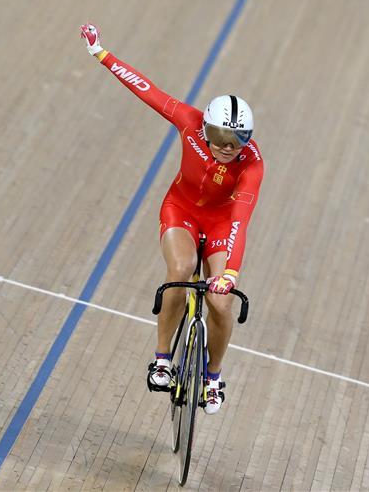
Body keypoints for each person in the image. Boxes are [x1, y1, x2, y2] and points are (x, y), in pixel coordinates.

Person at [80, 23, 264, 414]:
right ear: (206, 128)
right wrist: (102, 54)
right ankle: (162, 359)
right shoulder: (189, 121)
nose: (227, 149)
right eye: (219, 139)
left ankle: (213, 378)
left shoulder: (252, 166)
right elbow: (147, 90)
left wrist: (229, 273)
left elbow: (239, 220)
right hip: (180, 208)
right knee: (181, 268)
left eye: (237, 143)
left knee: (220, 301)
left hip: (219, 224)